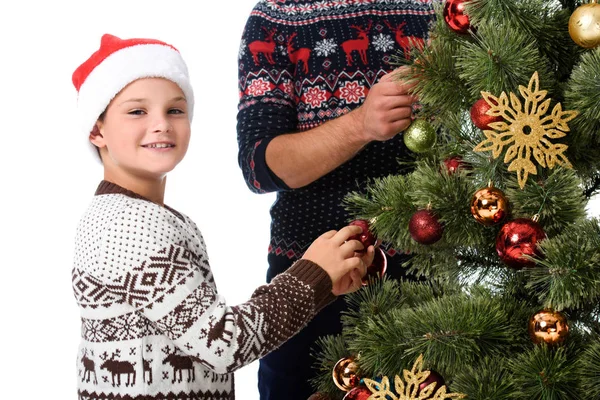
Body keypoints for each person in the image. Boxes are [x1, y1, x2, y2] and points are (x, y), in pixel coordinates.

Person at [71, 33, 374, 400]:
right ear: (96, 130)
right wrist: (314, 274)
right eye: (137, 111)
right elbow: (222, 343)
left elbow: (198, 337)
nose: (161, 124)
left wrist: (323, 284)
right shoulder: (128, 226)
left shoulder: (149, 218)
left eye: (175, 110)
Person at [236, 1, 436, 398]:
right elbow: (258, 165)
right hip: (312, 279)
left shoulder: (437, 10)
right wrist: (359, 124)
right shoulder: (276, 18)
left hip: (429, 268)